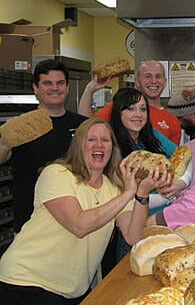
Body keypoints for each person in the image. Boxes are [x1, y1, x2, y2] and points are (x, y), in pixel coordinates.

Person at [0, 117, 171, 304]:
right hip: (26, 282)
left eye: (105, 140)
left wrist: (142, 192)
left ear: (112, 149)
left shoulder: (113, 188)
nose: (99, 145)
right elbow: (79, 225)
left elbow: (134, 236)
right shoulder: (57, 174)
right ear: (78, 145)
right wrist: (128, 192)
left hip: (71, 291)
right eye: (91, 139)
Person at [0, 59, 87, 233]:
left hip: (75, 219)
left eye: (60, 83)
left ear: (67, 87)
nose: (54, 88)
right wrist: (4, 143)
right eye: (47, 83)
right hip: (31, 222)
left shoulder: (82, 125)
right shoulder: (20, 126)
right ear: (35, 88)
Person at [108, 88, 193, 262]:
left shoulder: (152, 137)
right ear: (118, 113)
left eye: (143, 109)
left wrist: (182, 182)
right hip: (133, 228)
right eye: (130, 109)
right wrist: (166, 197)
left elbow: (185, 155)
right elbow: (123, 197)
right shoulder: (111, 146)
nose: (138, 114)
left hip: (164, 224)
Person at [78, 60, 182, 145]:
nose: (153, 81)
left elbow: (173, 160)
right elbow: (86, 124)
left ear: (164, 82)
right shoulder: (119, 108)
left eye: (158, 76)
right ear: (137, 82)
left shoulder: (173, 122)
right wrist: (89, 90)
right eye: (147, 76)